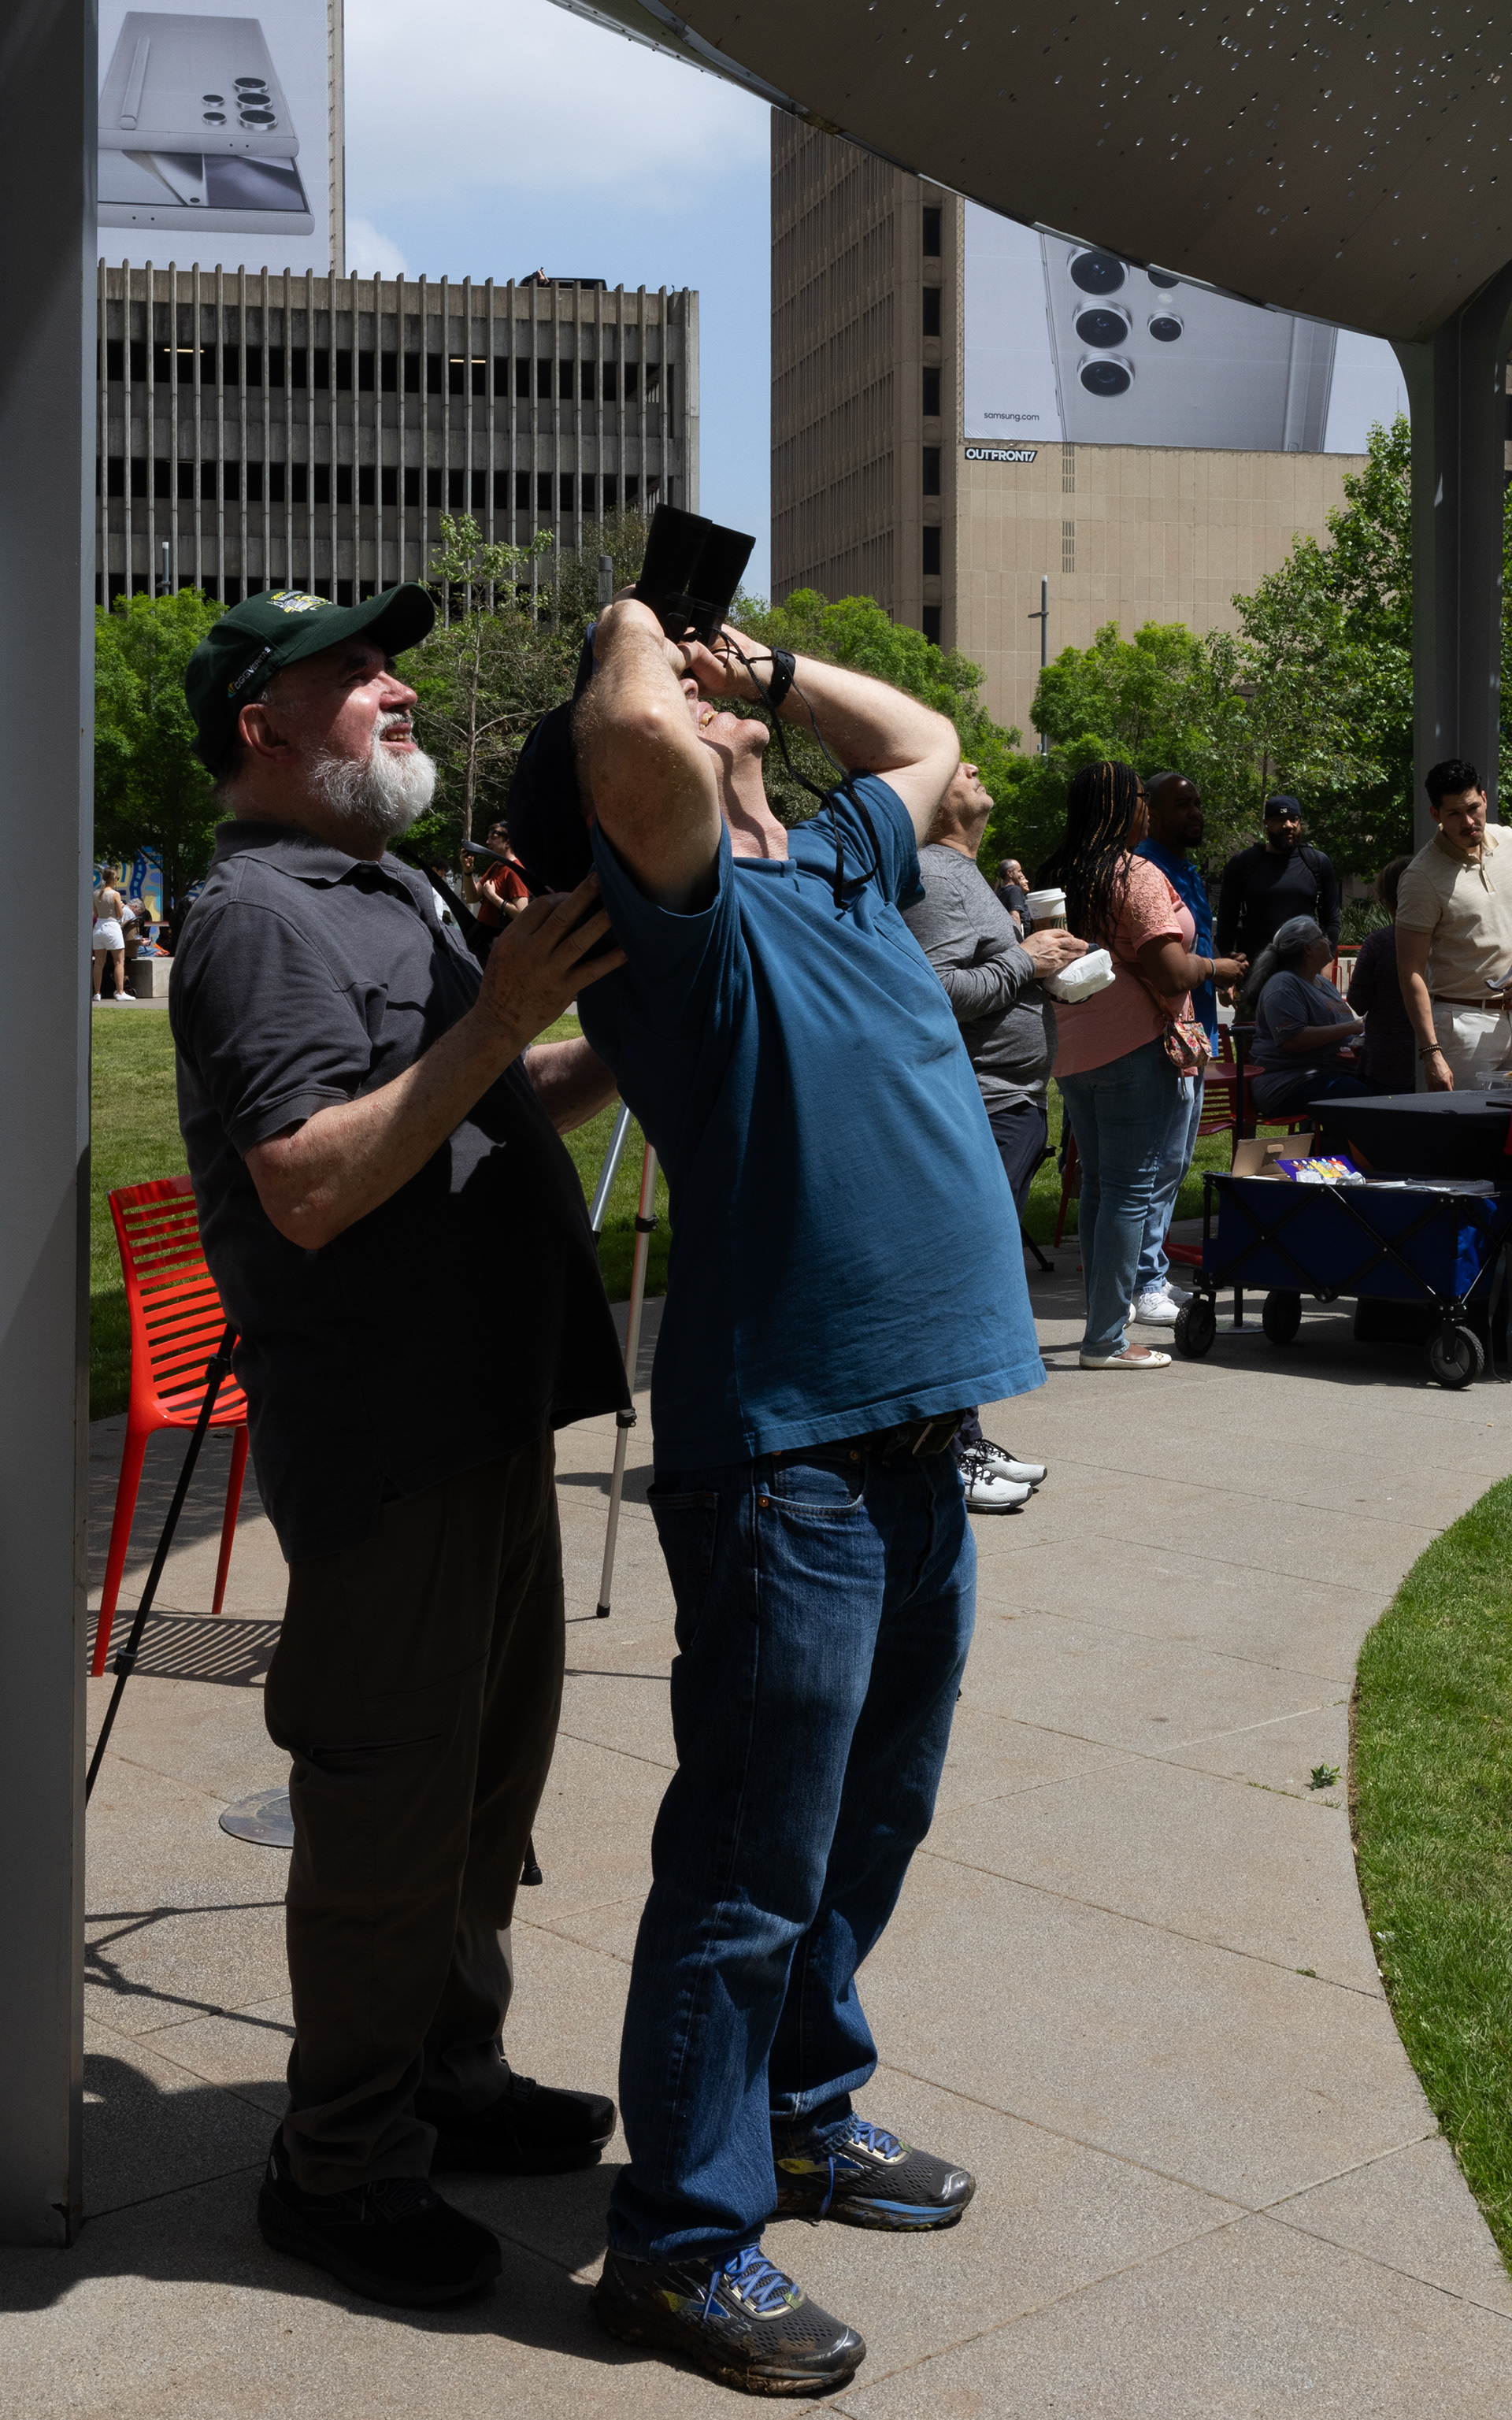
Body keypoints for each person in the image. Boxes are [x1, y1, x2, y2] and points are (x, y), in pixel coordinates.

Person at [555, 599, 1047, 2397]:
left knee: (864, 1835)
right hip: (789, 1471)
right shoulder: (674, 921)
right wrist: (634, 623)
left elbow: (928, 747)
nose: (711, 704)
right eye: (695, 695)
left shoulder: (840, 864)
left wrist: (763, 667)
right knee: (752, 1869)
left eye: (722, 690)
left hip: (917, 1450)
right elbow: (620, 746)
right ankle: (680, 2241)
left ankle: (804, 2117)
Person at [171, 586, 632, 2312]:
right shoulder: (256, 918)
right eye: (353, 670)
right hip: (391, 1439)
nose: (399, 682)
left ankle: (446, 2074)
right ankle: (340, 2165)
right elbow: (306, 1182)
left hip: (488, 1414)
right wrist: (499, 1015)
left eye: (388, 660)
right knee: (383, 1809)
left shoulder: (388, 891)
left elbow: (479, 1102)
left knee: (476, 1797)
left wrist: (593, 1035)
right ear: (261, 730)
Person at [904, 758, 1085, 1509]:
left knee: (973, 1278)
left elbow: (984, 973)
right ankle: (947, 1451)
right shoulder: (936, 876)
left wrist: (1042, 970)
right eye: (954, 767)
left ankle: (962, 1439)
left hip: (1008, 1103)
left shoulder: (966, 875)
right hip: (977, 1104)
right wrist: (1024, 959)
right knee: (962, 1282)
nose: (972, 765)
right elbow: (934, 990)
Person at [1042, 761, 1247, 1370]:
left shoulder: (1060, 875)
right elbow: (1171, 970)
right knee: (1131, 1192)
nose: (1145, 811)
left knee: (1102, 1188)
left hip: (1076, 1048)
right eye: (1138, 800)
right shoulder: (1135, 874)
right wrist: (1220, 969)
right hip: (1136, 1048)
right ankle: (1105, 1339)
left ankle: (1103, 1323)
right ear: (1119, 807)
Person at [1132, 769, 1221, 1325]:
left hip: (1195, 1029)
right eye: (1181, 804)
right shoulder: (1146, 870)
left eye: (1197, 802)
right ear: (1153, 813)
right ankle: (1141, 1283)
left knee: (1176, 1159)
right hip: (1161, 1034)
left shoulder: (1185, 867)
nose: (1195, 812)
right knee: (1157, 1161)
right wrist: (1214, 966)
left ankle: (1153, 1272)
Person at [1394, 760, 1512, 1091]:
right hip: (1463, 1024)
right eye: (1455, 814)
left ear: (1485, 799)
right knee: (1463, 1138)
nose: (1469, 822)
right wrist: (1432, 1051)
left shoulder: (1508, 842)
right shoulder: (1421, 877)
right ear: (1436, 815)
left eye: (1474, 808)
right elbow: (1410, 971)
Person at [1244, 916, 1371, 1117]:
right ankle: (1332, 1146)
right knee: (1358, 1095)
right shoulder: (1283, 985)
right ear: (1308, 949)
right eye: (1322, 937)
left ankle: (1333, 1145)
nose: (1329, 942)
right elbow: (1293, 1040)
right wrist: (1352, 1028)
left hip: (1329, 1074)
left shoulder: (1323, 983)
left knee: (1385, 1086)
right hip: (1288, 1084)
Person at [1215, 795, 1341, 967]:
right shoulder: (1242, 864)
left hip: (1305, 971)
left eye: (1293, 819)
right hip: (1255, 973)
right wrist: (1226, 971)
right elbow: (1226, 921)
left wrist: (1326, 963)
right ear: (1266, 823)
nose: (1288, 825)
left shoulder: (1317, 863)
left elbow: (1331, 920)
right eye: (1280, 820)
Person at [1347, 857, 1414, 1092]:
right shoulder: (1448, 940)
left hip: (1386, 1061)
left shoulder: (1379, 942)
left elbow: (1357, 1001)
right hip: (1442, 1055)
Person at [91, 869, 132, 1003]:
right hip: (112, 927)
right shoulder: (115, 894)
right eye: (117, 877)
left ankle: (97, 993)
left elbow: (96, 915)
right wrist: (120, 906)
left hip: (98, 928)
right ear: (113, 879)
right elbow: (120, 915)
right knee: (119, 961)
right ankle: (120, 992)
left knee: (98, 963)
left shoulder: (96, 894)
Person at [995, 854, 1028, 934]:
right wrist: (1018, 941)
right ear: (1009, 873)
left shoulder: (1000, 892)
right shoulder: (1014, 890)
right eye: (1019, 871)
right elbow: (1015, 917)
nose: (1021, 874)